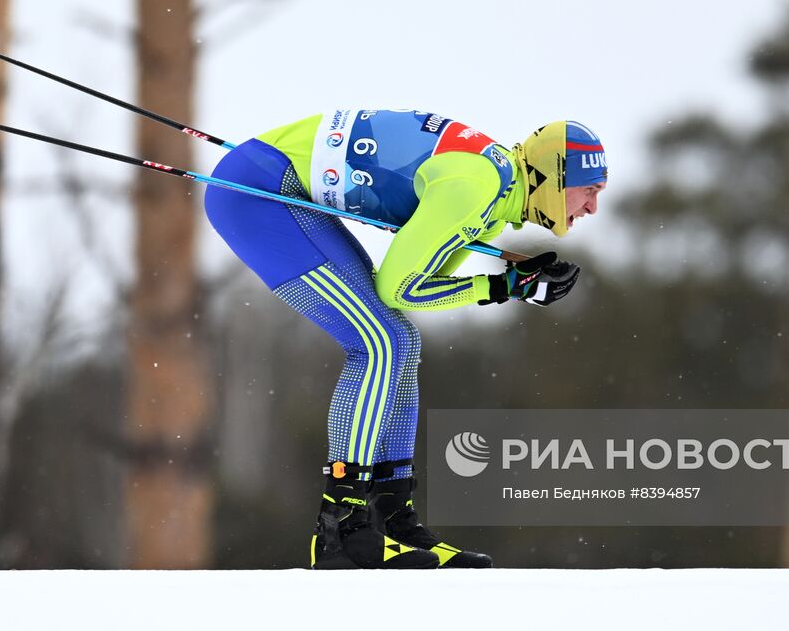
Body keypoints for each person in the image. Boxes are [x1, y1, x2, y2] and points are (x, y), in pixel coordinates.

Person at [205, 110, 607, 569]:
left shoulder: (494, 195)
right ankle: (341, 527)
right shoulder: (476, 188)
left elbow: (423, 281)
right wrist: (500, 288)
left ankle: (392, 518)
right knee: (379, 342)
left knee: (400, 340)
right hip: (258, 195)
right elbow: (397, 287)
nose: (593, 208)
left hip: (272, 179)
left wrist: (511, 279)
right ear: (554, 178)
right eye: (589, 190)